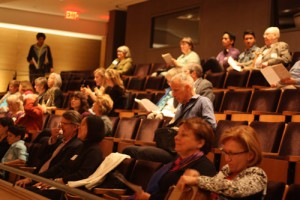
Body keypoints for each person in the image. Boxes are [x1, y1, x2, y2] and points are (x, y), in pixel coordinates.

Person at [123, 73, 216, 163]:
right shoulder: (181, 105)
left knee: (131, 151)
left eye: (176, 90)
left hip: (184, 152)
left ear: (187, 88)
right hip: (172, 147)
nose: (173, 95)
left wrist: (186, 131)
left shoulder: (203, 101)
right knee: (129, 150)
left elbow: (211, 127)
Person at [21, 115, 105, 199]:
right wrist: (46, 180)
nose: (79, 127)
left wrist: (57, 182)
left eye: (83, 125)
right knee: (24, 189)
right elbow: (62, 167)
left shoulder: (94, 151)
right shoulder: (81, 147)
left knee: (28, 193)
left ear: (92, 129)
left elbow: (83, 175)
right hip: (59, 185)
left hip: (70, 191)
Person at [134, 117, 216, 200]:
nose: (176, 137)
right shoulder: (177, 161)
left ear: (200, 143)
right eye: (177, 133)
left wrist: (150, 198)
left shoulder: (205, 168)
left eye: (183, 135)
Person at [176, 125, 267, 200]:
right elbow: (213, 187)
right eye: (225, 152)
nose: (227, 159)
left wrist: (197, 180)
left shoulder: (258, 175)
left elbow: (235, 189)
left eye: (232, 153)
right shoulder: (227, 169)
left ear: (250, 155)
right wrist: (195, 176)